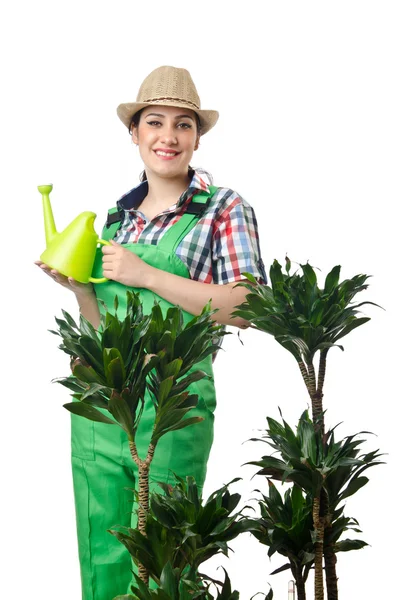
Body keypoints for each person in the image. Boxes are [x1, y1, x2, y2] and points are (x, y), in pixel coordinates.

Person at [36, 65, 267, 600]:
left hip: (171, 400)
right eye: (155, 123)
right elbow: (105, 330)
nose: (168, 137)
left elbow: (247, 306)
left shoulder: (223, 209)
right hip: (104, 403)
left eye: (183, 125)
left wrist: (147, 276)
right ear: (134, 133)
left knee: (167, 549)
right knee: (102, 542)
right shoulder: (117, 220)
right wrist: (82, 292)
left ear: (197, 136)